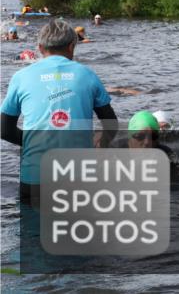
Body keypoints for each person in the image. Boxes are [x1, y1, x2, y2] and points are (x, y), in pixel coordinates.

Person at [0, 19, 117, 205]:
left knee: (32, 231)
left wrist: (35, 140)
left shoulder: (20, 77)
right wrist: (101, 143)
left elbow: (4, 130)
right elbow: (111, 124)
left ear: (39, 48)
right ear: (72, 46)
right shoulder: (87, 74)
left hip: (35, 178)